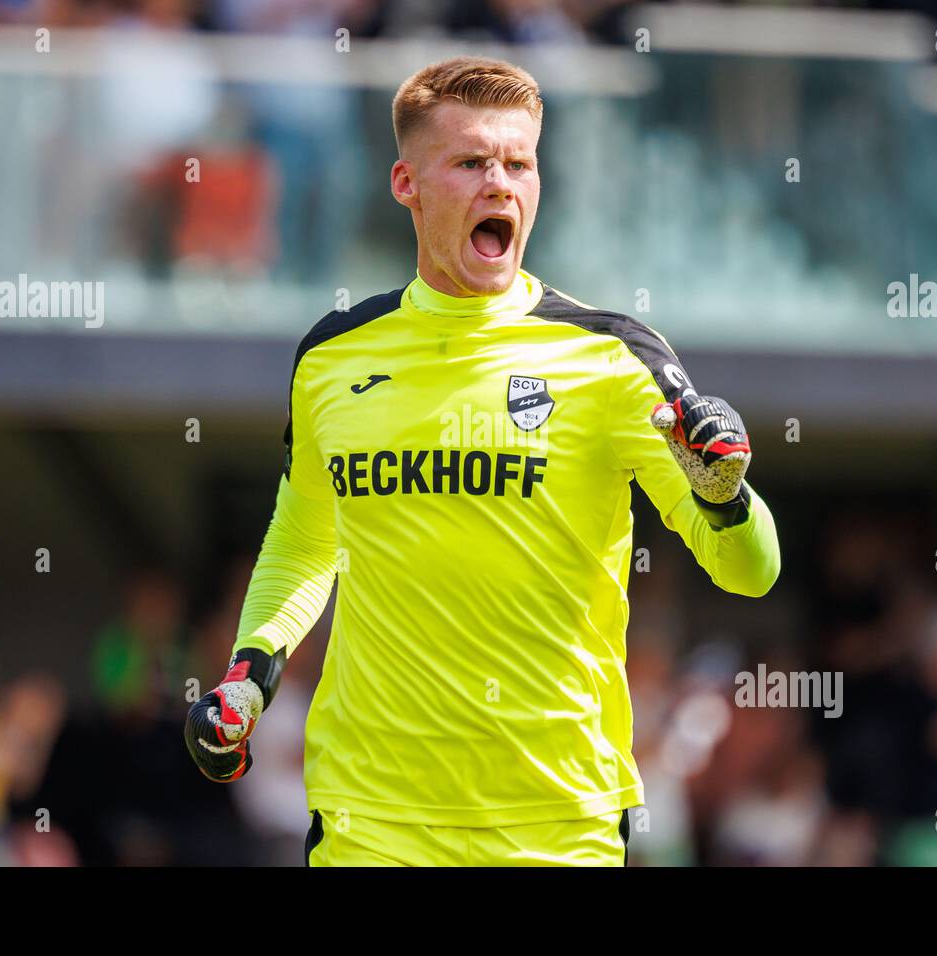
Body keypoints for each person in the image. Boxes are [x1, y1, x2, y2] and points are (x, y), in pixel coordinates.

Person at [185, 56, 781, 866]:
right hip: (370, 820)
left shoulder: (610, 357)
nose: (500, 183)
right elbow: (304, 541)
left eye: (520, 163)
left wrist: (723, 494)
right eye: (471, 162)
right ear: (407, 183)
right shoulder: (331, 358)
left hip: (556, 823)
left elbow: (750, 571)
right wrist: (249, 676)